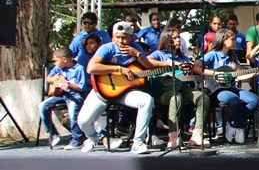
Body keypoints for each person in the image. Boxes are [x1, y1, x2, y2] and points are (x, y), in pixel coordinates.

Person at [77, 21, 155, 154]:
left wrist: (137, 54)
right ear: (112, 38)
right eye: (117, 37)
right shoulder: (107, 48)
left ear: (131, 38)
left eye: (124, 37)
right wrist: (119, 69)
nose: (121, 41)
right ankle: (93, 138)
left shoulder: (136, 47)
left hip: (125, 92)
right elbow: (91, 68)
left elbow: (150, 69)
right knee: (83, 121)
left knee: (147, 100)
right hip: (103, 90)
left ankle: (138, 142)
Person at [147, 28, 211, 148]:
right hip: (163, 91)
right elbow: (148, 61)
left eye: (178, 37)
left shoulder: (182, 57)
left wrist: (188, 70)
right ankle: (173, 136)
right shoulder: (159, 54)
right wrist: (168, 64)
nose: (178, 40)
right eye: (175, 38)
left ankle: (197, 135)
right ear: (167, 40)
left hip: (181, 86)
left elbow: (186, 71)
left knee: (202, 97)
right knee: (176, 98)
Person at [194, 29, 259, 144]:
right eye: (232, 39)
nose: (235, 42)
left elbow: (238, 75)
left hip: (230, 87)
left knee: (255, 100)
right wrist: (214, 73)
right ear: (224, 41)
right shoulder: (212, 55)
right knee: (234, 100)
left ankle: (233, 125)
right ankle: (239, 128)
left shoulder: (232, 56)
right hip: (216, 90)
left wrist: (255, 72)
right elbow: (196, 67)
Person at [39, 48, 89, 149]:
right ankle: (53, 134)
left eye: (56, 60)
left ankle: (77, 139)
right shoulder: (58, 68)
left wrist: (67, 83)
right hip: (61, 95)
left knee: (72, 114)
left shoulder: (79, 69)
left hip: (75, 95)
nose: (55, 63)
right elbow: (48, 78)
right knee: (42, 106)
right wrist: (54, 80)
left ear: (64, 60)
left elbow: (81, 88)